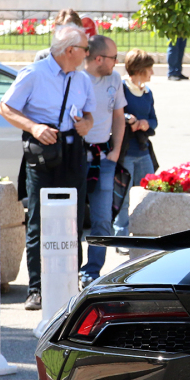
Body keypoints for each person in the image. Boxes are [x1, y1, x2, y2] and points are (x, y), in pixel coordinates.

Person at [0, 24, 96, 311]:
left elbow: (89, 114)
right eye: (85, 49)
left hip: (73, 149)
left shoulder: (82, 79)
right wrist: (34, 127)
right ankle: (36, 288)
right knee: (39, 219)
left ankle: (69, 283)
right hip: (43, 151)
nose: (87, 54)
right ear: (70, 51)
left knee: (74, 218)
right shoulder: (34, 74)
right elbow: (5, 107)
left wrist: (86, 124)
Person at [79, 35, 126, 288]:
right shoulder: (76, 78)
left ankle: (92, 271)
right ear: (99, 59)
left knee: (102, 219)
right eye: (113, 58)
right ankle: (69, 267)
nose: (117, 63)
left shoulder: (115, 79)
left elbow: (118, 116)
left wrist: (116, 150)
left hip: (104, 158)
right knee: (72, 218)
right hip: (76, 158)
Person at [115, 49, 158, 238]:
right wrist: (129, 119)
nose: (153, 73)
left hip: (143, 152)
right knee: (123, 198)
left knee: (148, 194)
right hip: (126, 152)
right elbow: (114, 112)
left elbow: (154, 120)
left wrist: (145, 123)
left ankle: (144, 233)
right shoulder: (122, 88)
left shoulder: (147, 93)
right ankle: (121, 236)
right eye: (150, 69)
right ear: (140, 69)